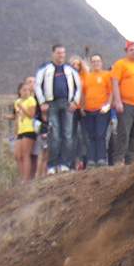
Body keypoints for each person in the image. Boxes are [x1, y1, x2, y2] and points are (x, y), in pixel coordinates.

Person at [35, 45, 82, 174]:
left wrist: (75, 102)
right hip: (51, 104)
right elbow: (38, 85)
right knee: (54, 134)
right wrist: (42, 102)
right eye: (58, 53)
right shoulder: (44, 69)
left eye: (63, 53)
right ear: (53, 54)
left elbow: (78, 86)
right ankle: (52, 164)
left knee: (67, 134)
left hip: (67, 104)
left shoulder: (70, 70)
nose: (61, 55)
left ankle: (65, 163)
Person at [80, 54, 113, 167]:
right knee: (91, 135)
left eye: (98, 61)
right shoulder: (87, 76)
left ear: (101, 62)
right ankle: (91, 159)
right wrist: (82, 107)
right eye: (93, 61)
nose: (96, 63)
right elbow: (83, 93)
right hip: (89, 110)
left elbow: (111, 92)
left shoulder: (106, 75)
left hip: (101, 110)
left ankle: (102, 158)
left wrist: (108, 105)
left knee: (100, 134)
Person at [7, 81, 38, 182]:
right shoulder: (17, 102)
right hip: (20, 130)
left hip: (29, 129)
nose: (26, 92)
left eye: (28, 90)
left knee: (26, 154)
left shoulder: (31, 100)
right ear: (19, 91)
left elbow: (31, 114)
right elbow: (17, 117)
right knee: (17, 155)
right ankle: (22, 177)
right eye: (24, 90)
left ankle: (26, 179)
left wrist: (22, 107)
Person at [70, 56, 89, 170]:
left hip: (82, 108)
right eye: (73, 65)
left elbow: (86, 92)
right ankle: (72, 162)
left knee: (84, 136)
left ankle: (85, 161)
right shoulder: (68, 76)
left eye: (77, 64)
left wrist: (83, 106)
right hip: (71, 108)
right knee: (71, 136)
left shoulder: (85, 77)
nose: (75, 67)